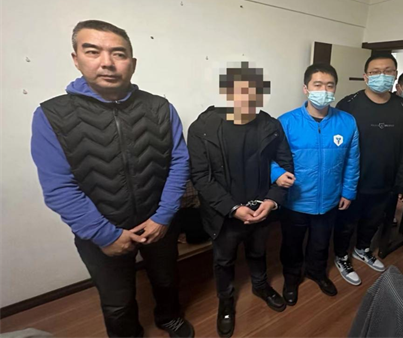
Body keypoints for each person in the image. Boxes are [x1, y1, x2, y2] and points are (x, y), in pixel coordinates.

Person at [31, 20, 194, 338]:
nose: (106, 62)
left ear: (132, 63)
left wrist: (163, 217)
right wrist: (104, 235)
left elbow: (179, 162)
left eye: (118, 53)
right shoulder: (51, 115)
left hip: (158, 222)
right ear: (76, 58)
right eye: (93, 51)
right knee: (117, 301)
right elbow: (58, 186)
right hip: (100, 230)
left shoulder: (160, 108)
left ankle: (169, 317)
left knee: (166, 279)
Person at [187, 62, 294, 338]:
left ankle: (260, 286)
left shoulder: (270, 126)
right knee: (223, 260)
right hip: (223, 214)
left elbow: (285, 167)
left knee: (258, 252)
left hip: (261, 209)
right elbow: (200, 177)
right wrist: (232, 208)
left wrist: (272, 201)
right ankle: (226, 301)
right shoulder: (203, 127)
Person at [271, 63, 359, 304]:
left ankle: (316, 272)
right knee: (291, 244)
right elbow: (268, 157)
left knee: (320, 243)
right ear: (306, 88)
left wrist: (348, 191)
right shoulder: (286, 122)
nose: (324, 90)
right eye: (317, 85)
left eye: (329, 85)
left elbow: (352, 160)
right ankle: (291, 278)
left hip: (330, 199)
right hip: (295, 200)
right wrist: (276, 174)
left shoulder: (347, 122)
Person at [333, 53, 403, 286]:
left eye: (388, 71)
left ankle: (362, 249)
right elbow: (337, 145)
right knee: (346, 223)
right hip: (353, 181)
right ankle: (341, 255)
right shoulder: (348, 104)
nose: (382, 75)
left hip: (386, 180)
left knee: (374, 220)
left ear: (395, 75)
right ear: (365, 76)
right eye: (375, 72)